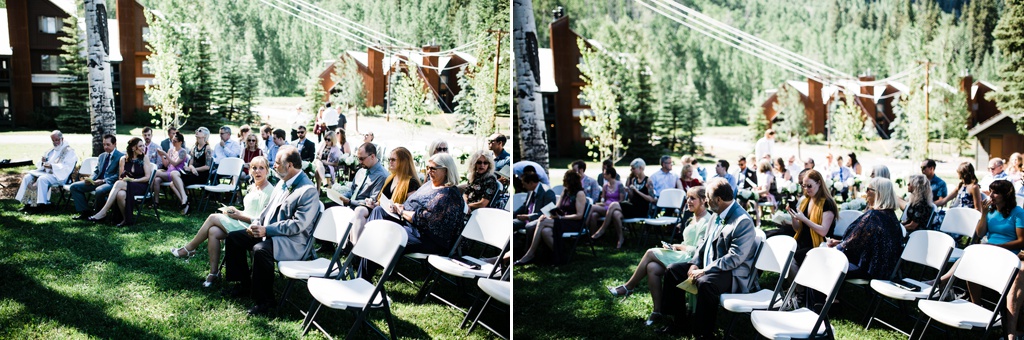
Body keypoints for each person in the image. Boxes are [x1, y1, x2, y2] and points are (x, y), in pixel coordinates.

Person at [222, 146, 322, 316]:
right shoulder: (283, 182)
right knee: (234, 238)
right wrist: (256, 224)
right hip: (271, 233)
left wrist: (266, 230)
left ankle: (265, 301)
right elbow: (268, 210)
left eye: (277, 163)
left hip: (293, 242)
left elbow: (297, 225)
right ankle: (245, 284)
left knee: (260, 250)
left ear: (289, 166)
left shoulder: (308, 191)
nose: (273, 166)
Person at [658, 178, 758, 338]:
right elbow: (703, 244)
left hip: (733, 273)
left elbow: (735, 258)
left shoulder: (742, 221)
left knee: (705, 283)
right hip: (710, 265)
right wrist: (694, 263)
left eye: (708, 197)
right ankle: (679, 322)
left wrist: (705, 270)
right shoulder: (715, 214)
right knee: (673, 270)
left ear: (718, 199)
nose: (706, 200)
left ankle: (703, 333)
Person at [606, 186, 713, 327]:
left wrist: (679, 247)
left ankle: (628, 287)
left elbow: (700, 250)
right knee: (652, 267)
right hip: (683, 254)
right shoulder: (692, 217)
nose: (688, 201)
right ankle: (657, 311)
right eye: (687, 197)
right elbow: (687, 242)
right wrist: (675, 246)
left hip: (693, 260)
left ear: (704, 200)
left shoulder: (707, 220)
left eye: (692, 198)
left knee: (650, 252)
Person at [933, 180, 1024, 338]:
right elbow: (980, 234)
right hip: (989, 248)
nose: (991, 195)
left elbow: (1021, 240)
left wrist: (999, 246)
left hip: (1008, 252)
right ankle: (975, 305)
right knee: (970, 254)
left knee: (971, 253)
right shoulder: (990, 210)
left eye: (995, 192)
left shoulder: (1018, 212)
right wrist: (983, 213)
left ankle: (942, 280)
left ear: (1006, 195)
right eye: (990, 191)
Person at [171, 156, 275, 288]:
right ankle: (214, 272)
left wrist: (238, 216)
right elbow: (250, 211)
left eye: (261, 168)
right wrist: (234, 212)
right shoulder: (253, 186)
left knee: (213, 217)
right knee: (213, 231)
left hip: (253, 228)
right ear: (249, 171)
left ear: (267, 170)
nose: (257, 171)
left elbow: (262, 220)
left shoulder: (270, 191)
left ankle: (189, 249)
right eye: (254, 168)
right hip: (243, 222)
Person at [374, 152, 465, 256]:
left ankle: (367, 264)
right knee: (378, 211)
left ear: (446, 170)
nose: (429, 171)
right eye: (428, 167)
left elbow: (424, 219)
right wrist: (400, 206)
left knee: (387, 236)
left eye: (433, 168)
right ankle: (362, 255)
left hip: (427, 238)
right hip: (410, 226)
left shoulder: (448, 194)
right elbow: (411, 203)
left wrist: (403, 211)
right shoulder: (428, 185)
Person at [829, 177, 902, 280]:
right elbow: (864, 241)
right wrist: (841, 242)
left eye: (868, 189)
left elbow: (851, 241)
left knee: (824, 264)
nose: (865, 192)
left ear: (879, 194)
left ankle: (814, 296)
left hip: (868, 269)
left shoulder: (873, 216)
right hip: (886, 271)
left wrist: (835, 248)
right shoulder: (892, 217)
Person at [349, 147, 422, 245]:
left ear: (403, 162)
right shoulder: (390, 178)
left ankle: (360, 248)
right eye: (389, 160)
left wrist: (396, 207)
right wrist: (373, 203)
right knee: (359, 210)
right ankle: (355, 246)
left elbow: (410, 208)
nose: (390, 162)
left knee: (376, 210)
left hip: (395, 217)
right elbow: (382, 200)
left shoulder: (411, 183)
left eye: (393, 160)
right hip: (382, 210)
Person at [514, 170, 588, 265]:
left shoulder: (580, 194)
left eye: (565, 180)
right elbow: (555, 208)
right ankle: (562, 256)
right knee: (545, 231)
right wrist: (548, 214)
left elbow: (579, 216)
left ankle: (530, 253)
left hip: (573, 223)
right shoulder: (566, 191)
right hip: (562, 220)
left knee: (542, 221)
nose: (563, 182)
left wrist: (561, 217)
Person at [86, 137, 154, 227]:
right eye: (140, 146)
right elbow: (120, 177)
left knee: (118, 183)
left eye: (143, 146)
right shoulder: (123, 159)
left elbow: (147, 177)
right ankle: (126, 220)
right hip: (126, 185)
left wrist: (134, 180)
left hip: (141, 185)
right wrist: (126, 179)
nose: (143, 148)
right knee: (120, 194)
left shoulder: (144, 158)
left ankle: (103, 212)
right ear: (133, 148)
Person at [16, 130, 78, 211]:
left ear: (62, 139)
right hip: (47, 173)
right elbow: (41, 164)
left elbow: (67, 167)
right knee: (28, 177)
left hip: (59, 176)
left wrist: (52, 166)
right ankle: (28, 204)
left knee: (42, 179)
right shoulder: (51, 150)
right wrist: (43, 162)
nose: (55, 142)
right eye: (53, 140)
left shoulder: (69, 151)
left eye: (57, 140)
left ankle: (41, 205)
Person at [785, 170, 837, 265]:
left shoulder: (827, 203)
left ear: (819, 183)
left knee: (791, 259)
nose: (806, 189)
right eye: (804, 186)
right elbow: (798, 229)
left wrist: (804, 219)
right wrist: (793, 216)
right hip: (803, 242)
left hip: (818, 245)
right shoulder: (806, 201)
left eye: (809, 186)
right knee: (784, 253)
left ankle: (800, 280)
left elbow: (823, 231)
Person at [70, 134, 123, 220]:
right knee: (74, 186)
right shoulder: (102, 156)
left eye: (108, 144)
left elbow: (118, 175)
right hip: (96, 181)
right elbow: (96, 171)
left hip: (110, 183)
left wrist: (103, 181)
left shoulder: (120, 157)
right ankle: (85, 211)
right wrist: (91, 179)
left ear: (115, 144)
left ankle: (98, 214)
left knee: (100, 190)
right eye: (104, 144)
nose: (105, 147)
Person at [335, 143, 388, 209]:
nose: (359, 162)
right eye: (358, 158)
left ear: (372, 156)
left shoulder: (382, 176)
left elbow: (372, 202)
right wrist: (341, 196)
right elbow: (352, 191)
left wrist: (350, 202)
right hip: (349, 206)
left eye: (362, 159)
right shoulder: (361, 170)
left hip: (362, 211)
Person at [176, 127, 215, 215]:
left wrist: (194, 169)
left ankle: (185, 202)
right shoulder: (194, 147)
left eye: (200, 131)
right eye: (197, 130)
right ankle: (185, 201)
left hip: (201, 175)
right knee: (173, 176)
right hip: (192, 173)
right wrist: (191, 168)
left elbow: (207, 167)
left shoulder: (207, 148)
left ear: (205, 135)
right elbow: (190, 163)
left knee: (173, 182)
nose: (197, 131)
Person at [591, 167, 628, 248]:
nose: (603, 176)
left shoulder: (619, 185)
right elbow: (603, 199)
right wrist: (602, 202)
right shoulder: (605, 186)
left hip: (616, 207)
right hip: (605, 207)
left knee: (615, 214)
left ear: (609, 175)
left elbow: (621, 201)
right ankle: (593, 236)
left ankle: (619, 238)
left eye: (604, 174)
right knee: (593, 213)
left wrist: (611, 205)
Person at [151, 132, 189, 206]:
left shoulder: (183, 152)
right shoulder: (170, 150)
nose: (173, 143)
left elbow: (175, 163)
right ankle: (156, 202)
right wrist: (161, 156)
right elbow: (166, 164)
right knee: (157, 179)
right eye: (172, 141)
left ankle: (147, 192)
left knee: (155, 173)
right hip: (168, 172)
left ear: (180, 142)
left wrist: (165, 154)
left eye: (175, 141)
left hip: (176, 174)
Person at [752, 159, 779, 226]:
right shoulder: (765, 175)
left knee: (754, 199)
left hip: (770, 195)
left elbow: (766, 190)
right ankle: (759, 215)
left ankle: (758, 220)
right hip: (767, 194)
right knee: (755, 198)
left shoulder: (767, 176)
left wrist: (755, 193)